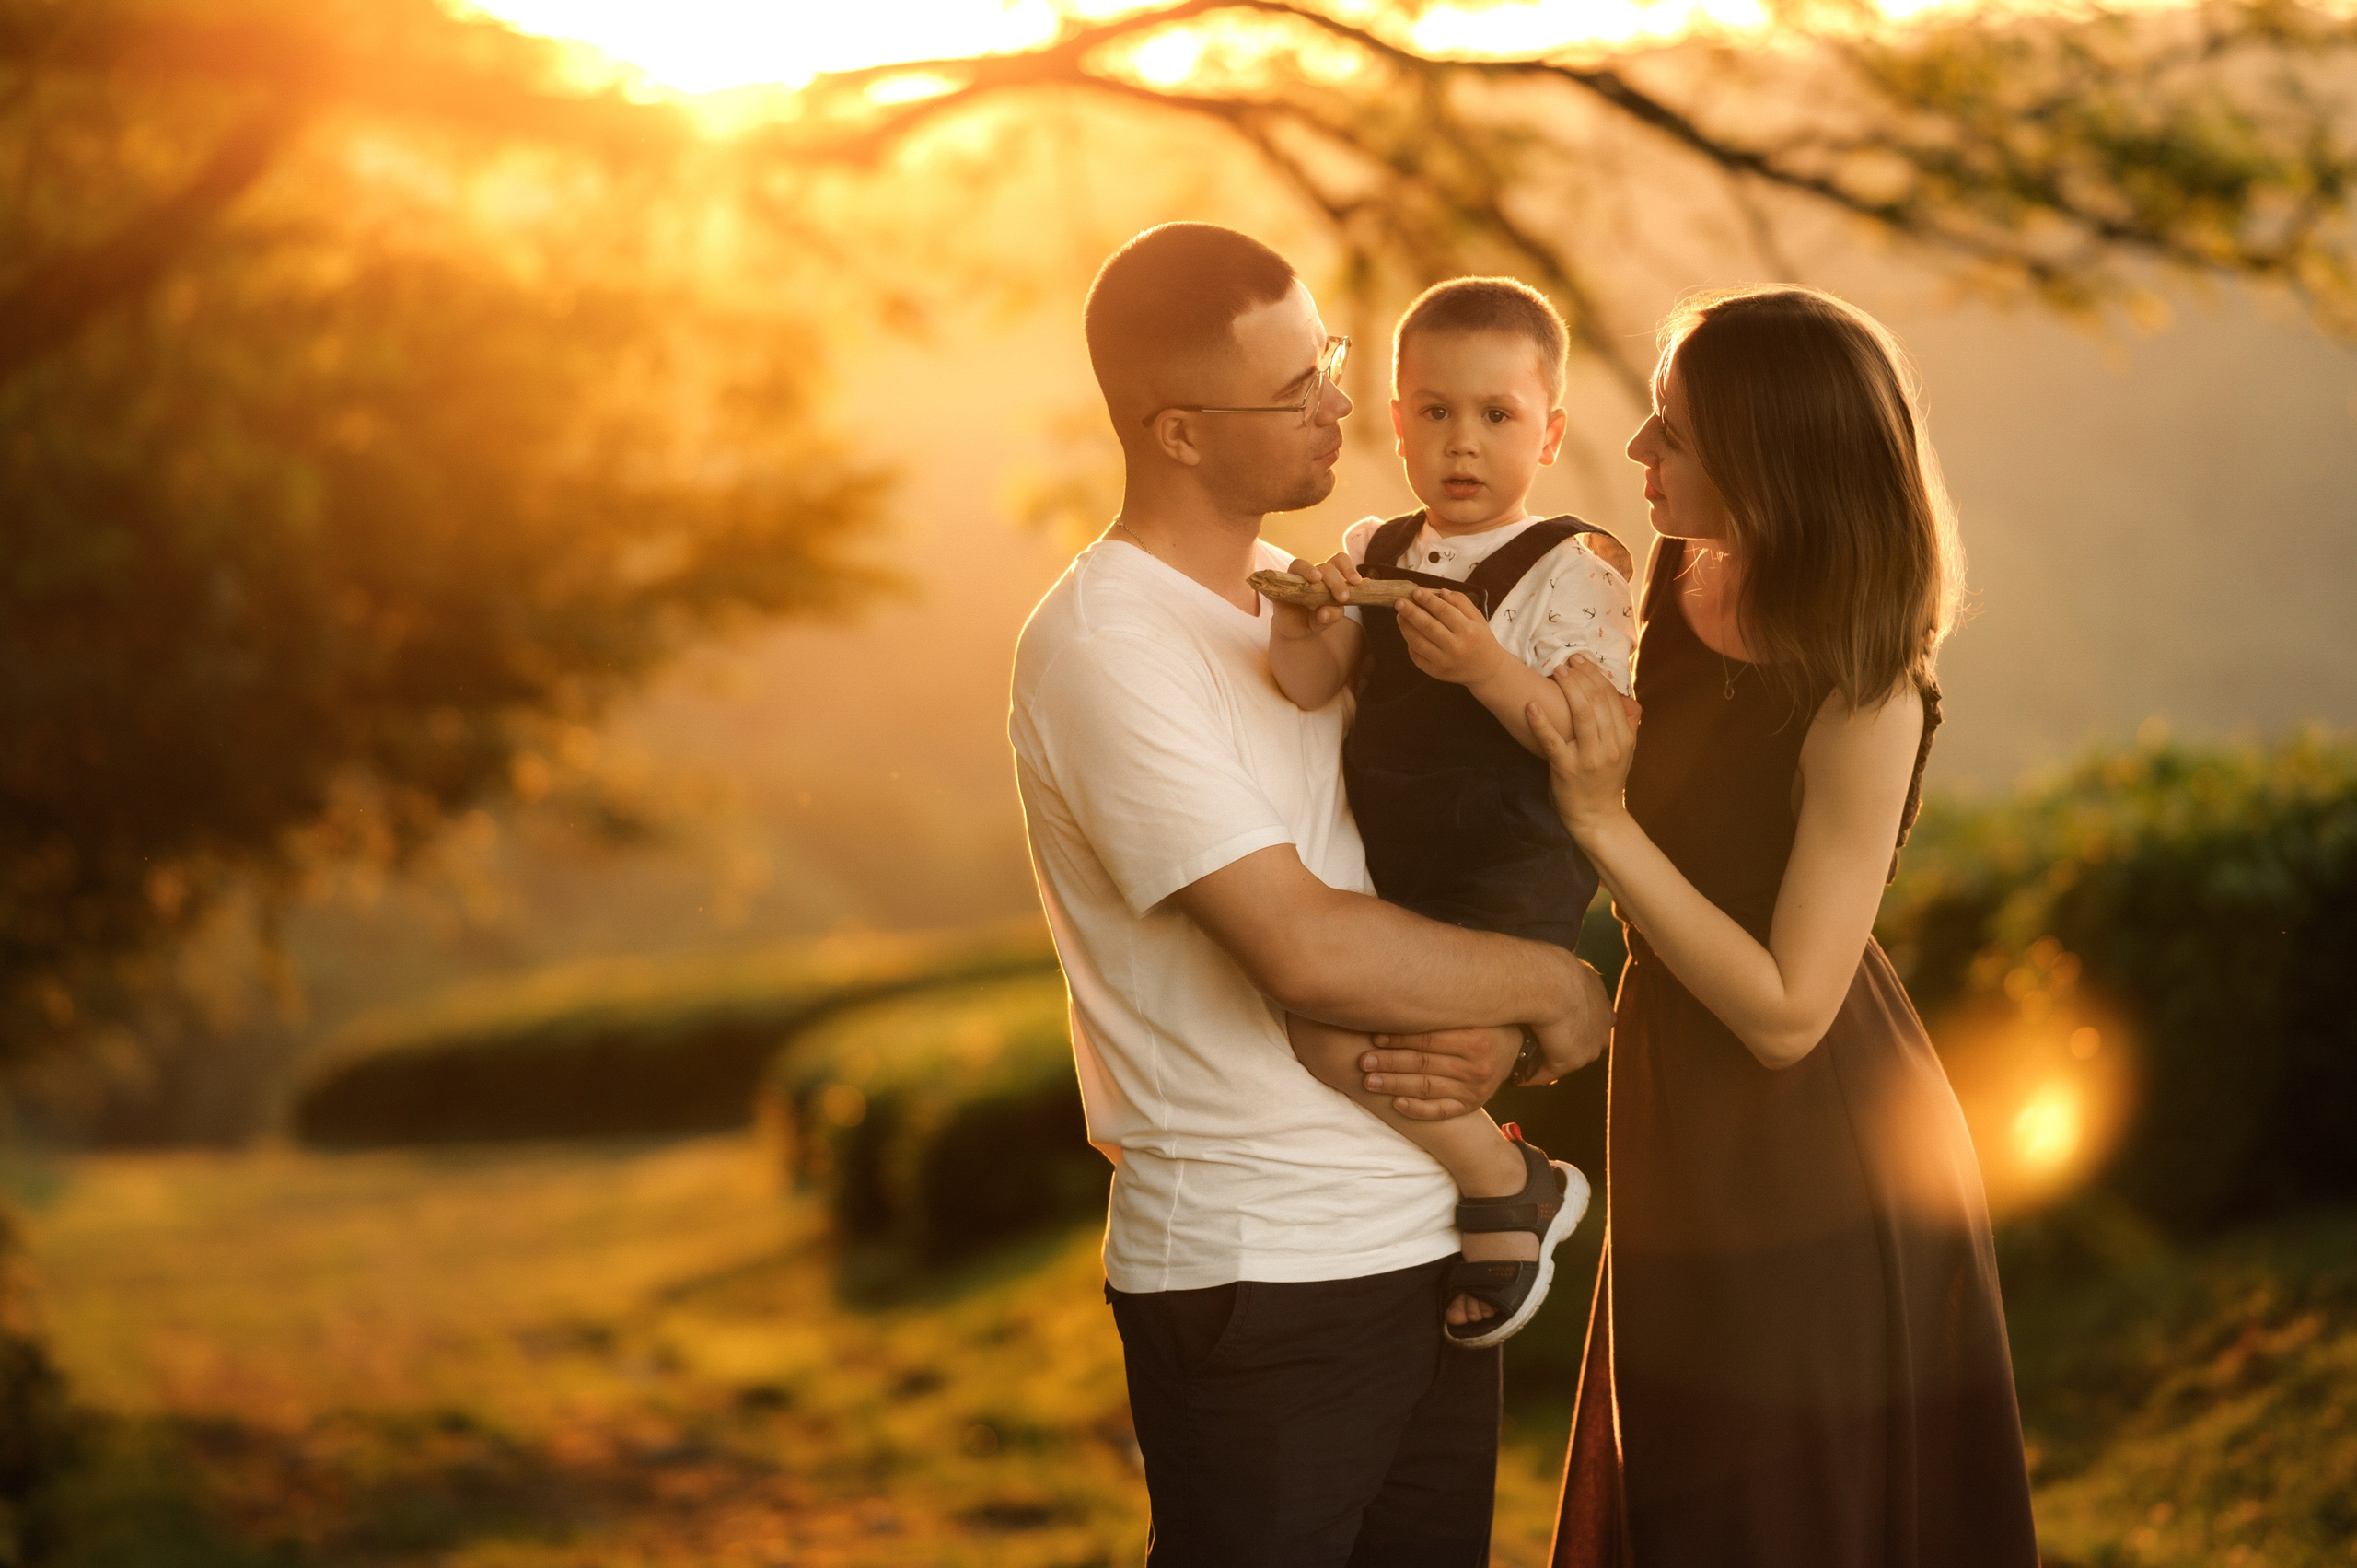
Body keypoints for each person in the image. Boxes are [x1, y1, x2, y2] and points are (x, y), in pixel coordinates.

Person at [1006, 222, 1614, 1567]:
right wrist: (1563, 986)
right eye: (1296, 390)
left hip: (1430, 1240)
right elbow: (1303, 946)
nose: (1342, 405)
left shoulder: (1305, 600)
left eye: (1327, 363)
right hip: (1260, 1272)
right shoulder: (1111, 645)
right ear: (1175, 430)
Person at [1527, 285, 2040, 1563]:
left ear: (1772, 459)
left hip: (1811, 1146)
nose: (1640, 455)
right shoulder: (1673, 577)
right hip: (1671, 1102)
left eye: (1674, 434)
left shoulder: (1868, 691)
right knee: (1681, 1482)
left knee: (1768, 1516)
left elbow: (1786, 1012)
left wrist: (1602, 823)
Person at [1264, 276, 1637, 1346]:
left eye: (1496, 416)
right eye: (1434, 412)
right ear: (1396, 420)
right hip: (1393, 864)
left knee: (1446, 1046)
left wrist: (1483, 666)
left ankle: (1504, 1207)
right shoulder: (1380, 547)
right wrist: (1307, 619)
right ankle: (1507, 1173)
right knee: (1324, 1027)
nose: (1462, 443)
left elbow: (1582, 740)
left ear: (1549, 432)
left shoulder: (1575, 564)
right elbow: (1311, 682)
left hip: (1507, 863)